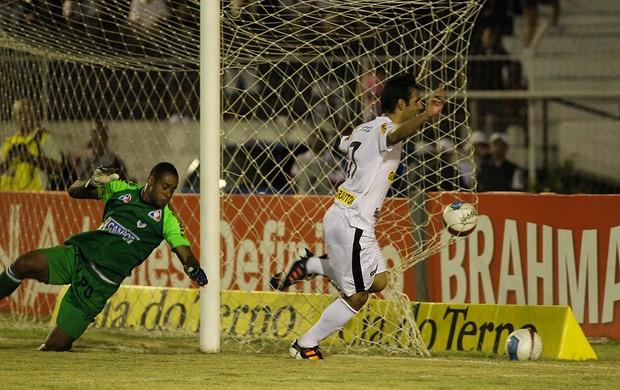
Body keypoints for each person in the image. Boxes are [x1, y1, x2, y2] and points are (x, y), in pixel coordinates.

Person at [270, 74, 447, 359]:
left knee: (379, 281)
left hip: (348, 217)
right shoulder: (386, 130)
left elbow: (344, 143)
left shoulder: (364, 129)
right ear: (401, 103)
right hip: (352, 222)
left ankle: (312, 264)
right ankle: (305, 344)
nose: (420, 105)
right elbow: (396, 134)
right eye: (416, 101)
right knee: (358, 295)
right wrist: (427, 116)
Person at [0, 162, 208, 351]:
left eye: (172, 189)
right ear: (151, 181)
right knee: (23, 264)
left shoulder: (167, 220)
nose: (169, 194)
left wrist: (193, 268)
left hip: (99, 284)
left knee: (53, 347)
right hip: (79, 255)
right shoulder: (122, 189)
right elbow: (74, 191)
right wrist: (91, 182)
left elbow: (185, 254)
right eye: (165, 187)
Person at [0, 99, 64, 190]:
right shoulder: (8, 143)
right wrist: (7, 162)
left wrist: (31, 158)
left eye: (29, 112)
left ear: (35, 116)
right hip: (8, 197)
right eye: (21, 113)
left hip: (35, 198)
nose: (25, 117)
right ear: (14, 117)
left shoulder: (45, 139)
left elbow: (58, 168)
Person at [289, 128, 345, 195]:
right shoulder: (300, 159)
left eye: (320, 137)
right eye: (314, 137)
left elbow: (340, 184)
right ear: (309, 139)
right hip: (303, 199)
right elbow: (293, 182)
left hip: (325, 200)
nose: (317, 140)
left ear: (326, 140)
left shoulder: (334, 161)